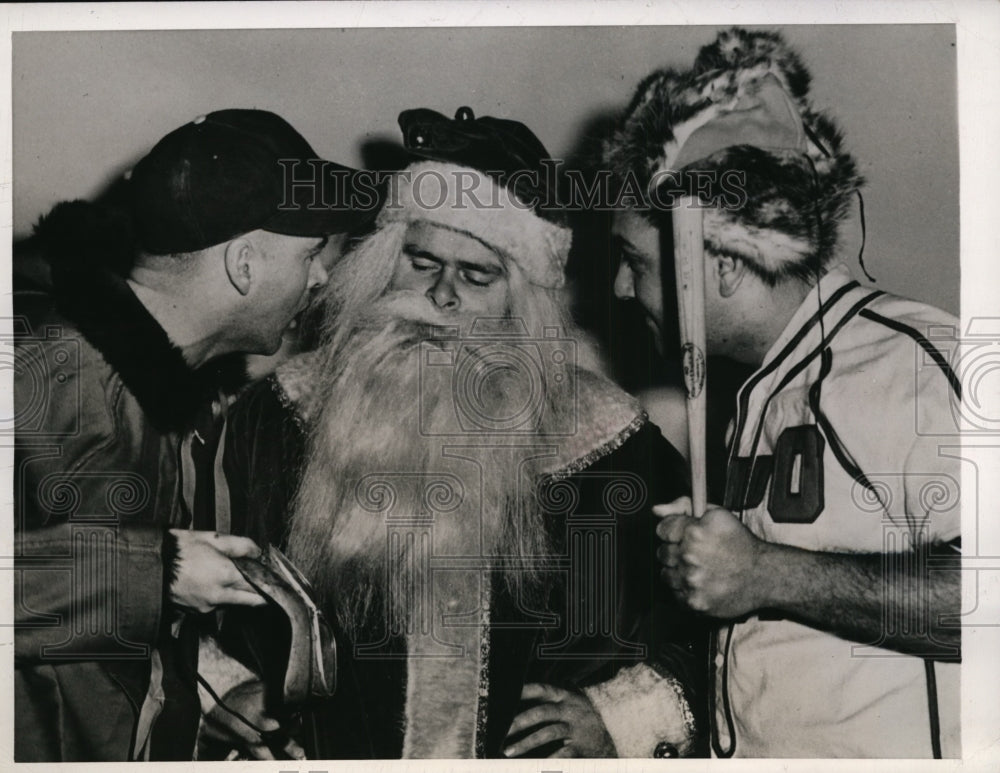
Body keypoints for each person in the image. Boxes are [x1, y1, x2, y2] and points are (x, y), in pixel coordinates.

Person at [222, 106, 705, 759]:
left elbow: (722, 625)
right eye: (420, 262)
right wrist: (229, 691)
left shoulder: (611, 441)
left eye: (477, 275)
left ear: (523, 299)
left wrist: (621, 716)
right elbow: (196, 592)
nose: (441, 295)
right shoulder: (279, 416)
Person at [604, 28, 961, 757]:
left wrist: (764, 572)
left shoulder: (909, 357)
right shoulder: (760, 393)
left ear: (726, 266)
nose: (616, 287)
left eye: (633, 262)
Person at [13, 108, 375, 761]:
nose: (321, 279)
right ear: (243, 264)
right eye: (311, 254)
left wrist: (205, 709)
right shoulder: (37, 371)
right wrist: (158, 572)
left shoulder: (182, 399)